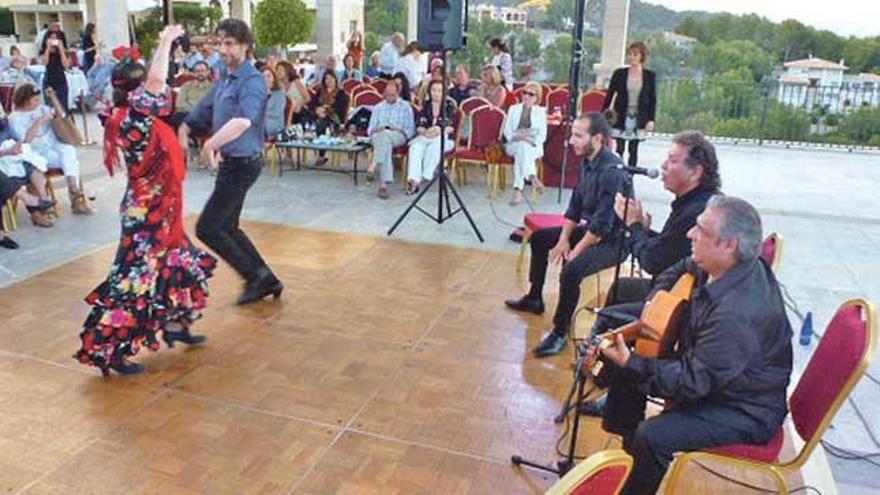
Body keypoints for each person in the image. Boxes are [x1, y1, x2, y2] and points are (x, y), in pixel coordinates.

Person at [597, 196, 793, 495]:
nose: (691, 234)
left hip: (743, 409)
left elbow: (691, 382)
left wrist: (632, 363)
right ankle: (628, 457)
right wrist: (657, 305)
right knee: (630, 372)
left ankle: (636, 479)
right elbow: (679, 268)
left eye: (701, 230)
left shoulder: (738, 314)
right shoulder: (723, 265)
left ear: (729, 245)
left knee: (653, 435)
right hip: (720, 377)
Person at [75, 28, 217, 376]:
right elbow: (156, 80)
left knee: (182, 264)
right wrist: (166, 40)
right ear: (135, 92)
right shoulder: (134, 121)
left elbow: (154, 84)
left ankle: (173, 324)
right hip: (147, 216)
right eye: (146, 90)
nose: (159, 91)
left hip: (160, 210)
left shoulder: (127, 116)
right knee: (134, 281)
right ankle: (108, 351)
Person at [579, 130, 722, 418]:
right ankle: (606, 372)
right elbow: (669, 253)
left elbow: (651, 261)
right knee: (621, 288)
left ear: (696, 172)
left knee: (611, 317)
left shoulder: (696, 210)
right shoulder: (695, 201)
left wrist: (633, 227)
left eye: (672, 160)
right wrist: (642, 230)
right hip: (676, 286)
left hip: (685, 305)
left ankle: (610, 384)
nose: (664, 166)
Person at [505, 113, 630, 357]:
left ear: (598, 139)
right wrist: (562, 241)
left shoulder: (613, 171)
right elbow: (575, 207)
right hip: (592, 230)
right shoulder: (586, 161)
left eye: (578, 136)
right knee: (541, 239)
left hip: (613, 241)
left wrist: (574, 252)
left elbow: (602, 226)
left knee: (571, 270)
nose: (571, 140)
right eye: (572, 134)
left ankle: (559, 331)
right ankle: (534, 297)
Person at [180, 18, 282, 306]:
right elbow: (208, 104)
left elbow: (242, 121)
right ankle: (266, 278)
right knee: (228, 227)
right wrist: (186, 126)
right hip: (232, 163)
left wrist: (211, 143)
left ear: (246, 46)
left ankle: (256, 277)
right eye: (220, 42)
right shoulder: (225, 74)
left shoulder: (253, 81)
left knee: (208, 228)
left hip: (243, 164)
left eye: (230, 44)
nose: (223, 49)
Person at [9, 84, 91, 214]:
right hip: (36, 153)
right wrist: (39, 122)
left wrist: (54, 99)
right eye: (34, 100)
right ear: (25, 100)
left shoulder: (41, 109)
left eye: (38, 99)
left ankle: (73, 188)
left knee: (69, 151)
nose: (37, 102)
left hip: (54, 147)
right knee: (69, 161)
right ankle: (76, 198)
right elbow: (25, 142)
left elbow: (62, 115)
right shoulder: (15, 118)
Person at [602, 41, 656, 167]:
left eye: (635, 54)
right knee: (619, 148)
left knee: (633, 149)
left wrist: (651, 120)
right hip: (621, 114)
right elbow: (610, 95)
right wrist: (603, 115)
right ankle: (618, 171)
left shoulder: (649, 76)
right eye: (630, 54)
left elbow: (653, 99)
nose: (632, 57)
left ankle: (630, 175)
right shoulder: (619, 74)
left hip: (639, 115)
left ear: (642, 56)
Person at [366, 80, 415, 199]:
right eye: (387, 94)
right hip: (379, 134)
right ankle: (383, 185)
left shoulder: (405, 107)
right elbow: (370, 129)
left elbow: (410, 130)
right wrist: (378, 129)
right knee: (384, 138)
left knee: (385, 137)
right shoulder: (378, 107)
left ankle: (374, 164)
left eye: (392, 95)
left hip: (398, 134)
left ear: (398, 93)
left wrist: (397, 128)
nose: (389, 97)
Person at [406, 79, 455, 195]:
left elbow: (452, 126)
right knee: (415, 147)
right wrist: (422, 130)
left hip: (444, 138)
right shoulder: (426, 105)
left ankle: (426, 175)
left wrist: (439, 129)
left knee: (435, 146)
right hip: (426, 136)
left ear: (444, 92)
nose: (436, 93)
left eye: (439, 90)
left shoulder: (449, 105)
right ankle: (414, 180)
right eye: (433, 90)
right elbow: (419, 124)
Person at [503, 81, 547, 205]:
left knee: (523, 150)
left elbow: (542, 136)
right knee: (522, 147)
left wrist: (528, 140)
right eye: (524, 93)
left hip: (533, 146)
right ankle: (532, 177)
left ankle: (518, 189)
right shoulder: (513, 109)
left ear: (537, 98)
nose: (526, 96)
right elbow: (507, 131)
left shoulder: (540, 112)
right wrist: (520, 137)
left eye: (531, 94)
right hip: (513, 144)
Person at [308, 70, 349, 166]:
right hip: (319, 117)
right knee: (313, 118)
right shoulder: (320, 92)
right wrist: (317, 109)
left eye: (331, 78)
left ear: (335, 79)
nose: (329, 80)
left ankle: (321, 156)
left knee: (321, 123)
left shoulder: (341, 93)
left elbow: (340, 110)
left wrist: (326, 111)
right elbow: (311, 105)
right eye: (326, 78)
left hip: (335, 118)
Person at [169, 60, 212, 129]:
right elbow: (180, 104)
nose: (200, 73)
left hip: (203, 116)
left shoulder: (213, 88)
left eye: (203, 71)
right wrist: (193, 111)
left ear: (208, 72)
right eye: (197, 71)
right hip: (185, 114)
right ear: (193, 73)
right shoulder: (186, 86)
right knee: (176, 119)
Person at [40, 30, 70, 113]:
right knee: (50, 107)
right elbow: (44, 62)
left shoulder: (64, 51)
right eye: (51, 38)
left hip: (60, 79)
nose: (53, 40)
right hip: (48, 78)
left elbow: (66, 65)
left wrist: (61, 50)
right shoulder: (44, 50)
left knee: (63, 106)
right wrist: (48, 48)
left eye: (55, 38)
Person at [263, 66, 287, 138]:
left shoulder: (279, 94)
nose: (266, 79)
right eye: (263, 76)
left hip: (274, 124)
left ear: (273, 78)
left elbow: (277, 112)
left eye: (268, 76)